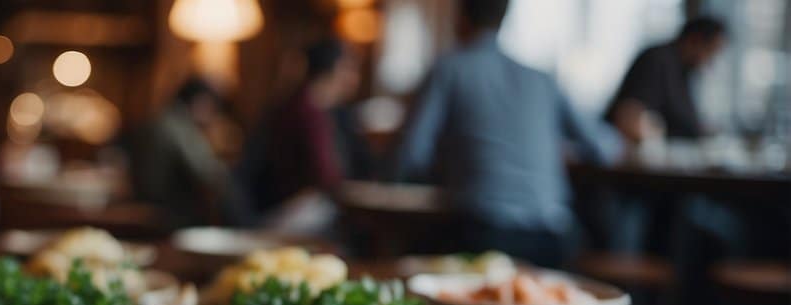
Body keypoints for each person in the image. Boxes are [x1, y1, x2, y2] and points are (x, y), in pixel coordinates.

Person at [391, 0, 620, 268]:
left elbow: (412, 154)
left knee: (414, 256)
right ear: (503, 20)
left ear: (460, 18)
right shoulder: (542, 78)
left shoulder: (449, 69)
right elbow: (605, 149)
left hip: (480, 235)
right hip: (552, 240)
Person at [240, 38, 361, 228]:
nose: (355, 78)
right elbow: (326, 177)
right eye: (350, 69)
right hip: (284, 213)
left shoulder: (302, 104)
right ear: (336, 69)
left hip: (278, 208)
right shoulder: (307, 112)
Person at [124, 77, 238, 228]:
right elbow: (207, 172)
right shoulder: (179, 125)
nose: (213, 115)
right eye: (212, 107)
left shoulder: (162, 117)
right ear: (200, 101)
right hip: (168, 213)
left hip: (146, 203)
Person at [606, 16, 728, 143]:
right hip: (630, 157)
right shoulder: (657, 60)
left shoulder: (683, 70)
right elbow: (628, 118)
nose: (710, 61)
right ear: (694, 40)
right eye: (710, 51)